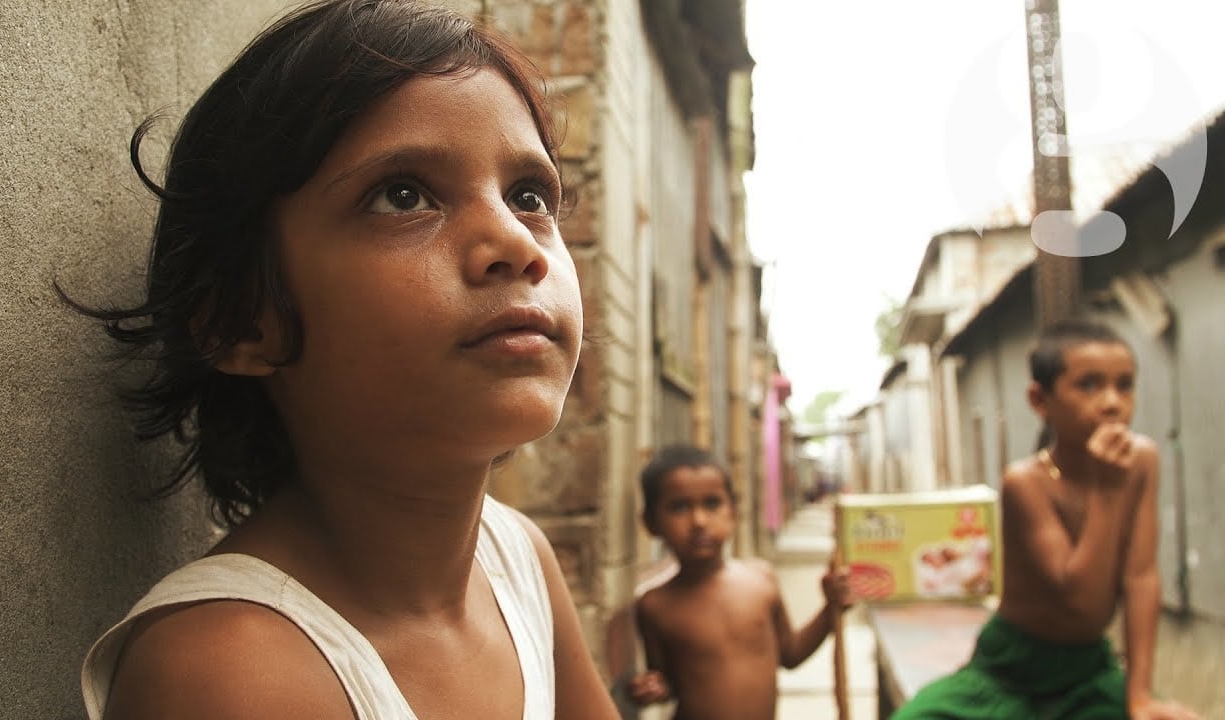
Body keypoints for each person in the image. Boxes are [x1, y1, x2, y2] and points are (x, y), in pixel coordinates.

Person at [68, 2, 620, 718]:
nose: (516, 243)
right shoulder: (230, 673)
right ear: (241, 321)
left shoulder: (516, 562)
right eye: (402, 195)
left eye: (528, 195)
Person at [893, 319, 1200, 720]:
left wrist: (1139, 694)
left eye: (1124, 385)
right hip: (1011, 666)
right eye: (1088, 385)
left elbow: (1140, 578)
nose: (1111, 402)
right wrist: (1107, 493)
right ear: (1040, 401)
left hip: (1086, 668)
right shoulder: (1026, 482)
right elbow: (1078, 598)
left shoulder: (1142, 461)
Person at [627, 445, 851, 720]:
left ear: (733, 511)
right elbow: (669, 682)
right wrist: (655, 687)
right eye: (679, 507)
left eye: (712, 503)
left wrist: (831, 608)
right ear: (650, 522)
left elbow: (790, 654)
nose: (698, 521)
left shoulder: (761, 579)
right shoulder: (655, 606)